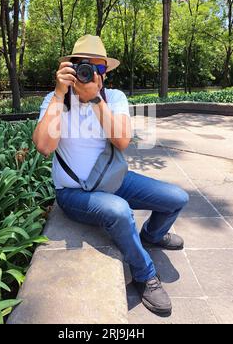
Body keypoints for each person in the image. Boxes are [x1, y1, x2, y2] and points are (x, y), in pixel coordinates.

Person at [32, 34, 189, 316]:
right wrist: (58, 94)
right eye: (84, 65)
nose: (89, 73)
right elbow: (44, 147)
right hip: (75, 193)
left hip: (114, 180)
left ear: (105, 72)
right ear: (70, 67)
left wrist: (95, 101)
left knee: (176, 197)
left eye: (98, 68)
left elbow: (122, 141)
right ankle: (145, 275)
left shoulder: (114, 98)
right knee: (119, 210)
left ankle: (152, 235)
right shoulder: (55, 100)